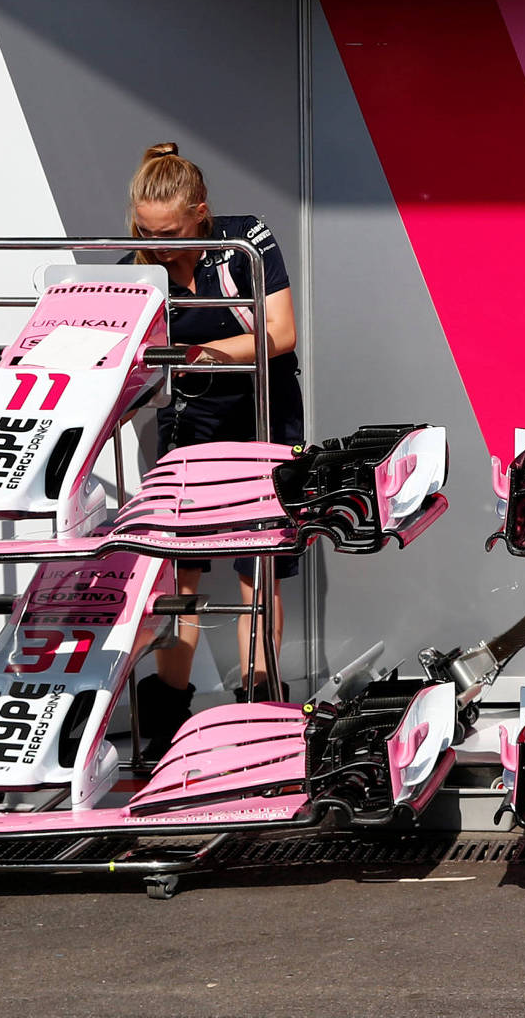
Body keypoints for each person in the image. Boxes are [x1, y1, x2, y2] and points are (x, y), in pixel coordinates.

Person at [122, 142, 304, 757]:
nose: (159, 245)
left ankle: (257, 711)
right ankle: (167, 717)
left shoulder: (245, 244)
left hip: (263, 413)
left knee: (258, 566)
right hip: (187, 424)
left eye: (170, 232)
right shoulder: (135, 272)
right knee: (181, 572)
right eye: (146, 232)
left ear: (200, 212)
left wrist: (204, 355)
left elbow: (281, 334)